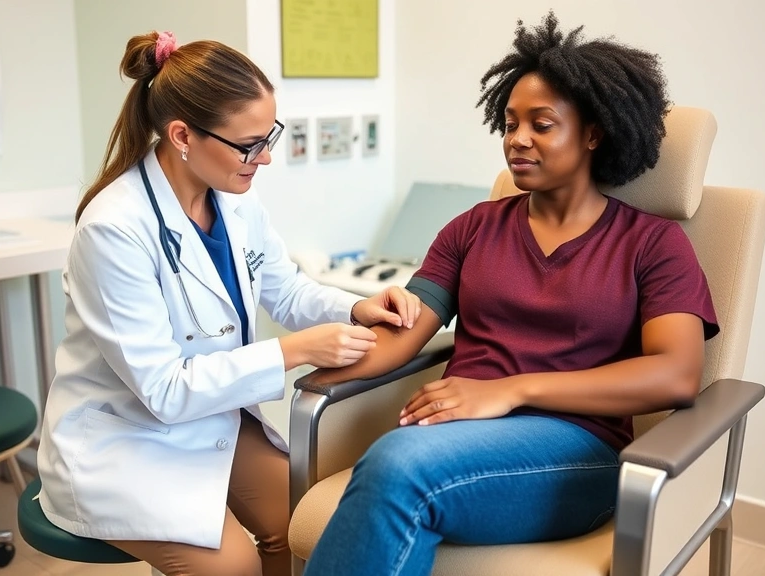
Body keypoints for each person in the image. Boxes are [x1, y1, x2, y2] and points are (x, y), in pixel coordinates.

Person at [302, 12, 720, 576]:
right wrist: (295, 359)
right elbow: (400, 340)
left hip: (576, 451)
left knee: (398, 469)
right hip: (454, 433)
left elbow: (675, 374)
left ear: (593, 134)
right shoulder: (472, 228)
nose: (517, 139)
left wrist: (512, 390)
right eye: (509, 122)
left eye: (542, 124)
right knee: (396, 466)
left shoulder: (653, 244)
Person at [35, 31, 421, 576]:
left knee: (315, 524)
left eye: (270, 137)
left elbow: (283, 287)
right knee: (233, 565)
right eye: (249, 145)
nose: (264, 159)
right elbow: (165, 391)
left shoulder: (234, 198)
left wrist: (354, 308)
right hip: (126, 439)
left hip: (213, 415)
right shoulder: (113, 230)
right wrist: (292, 352)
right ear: (182, 135)